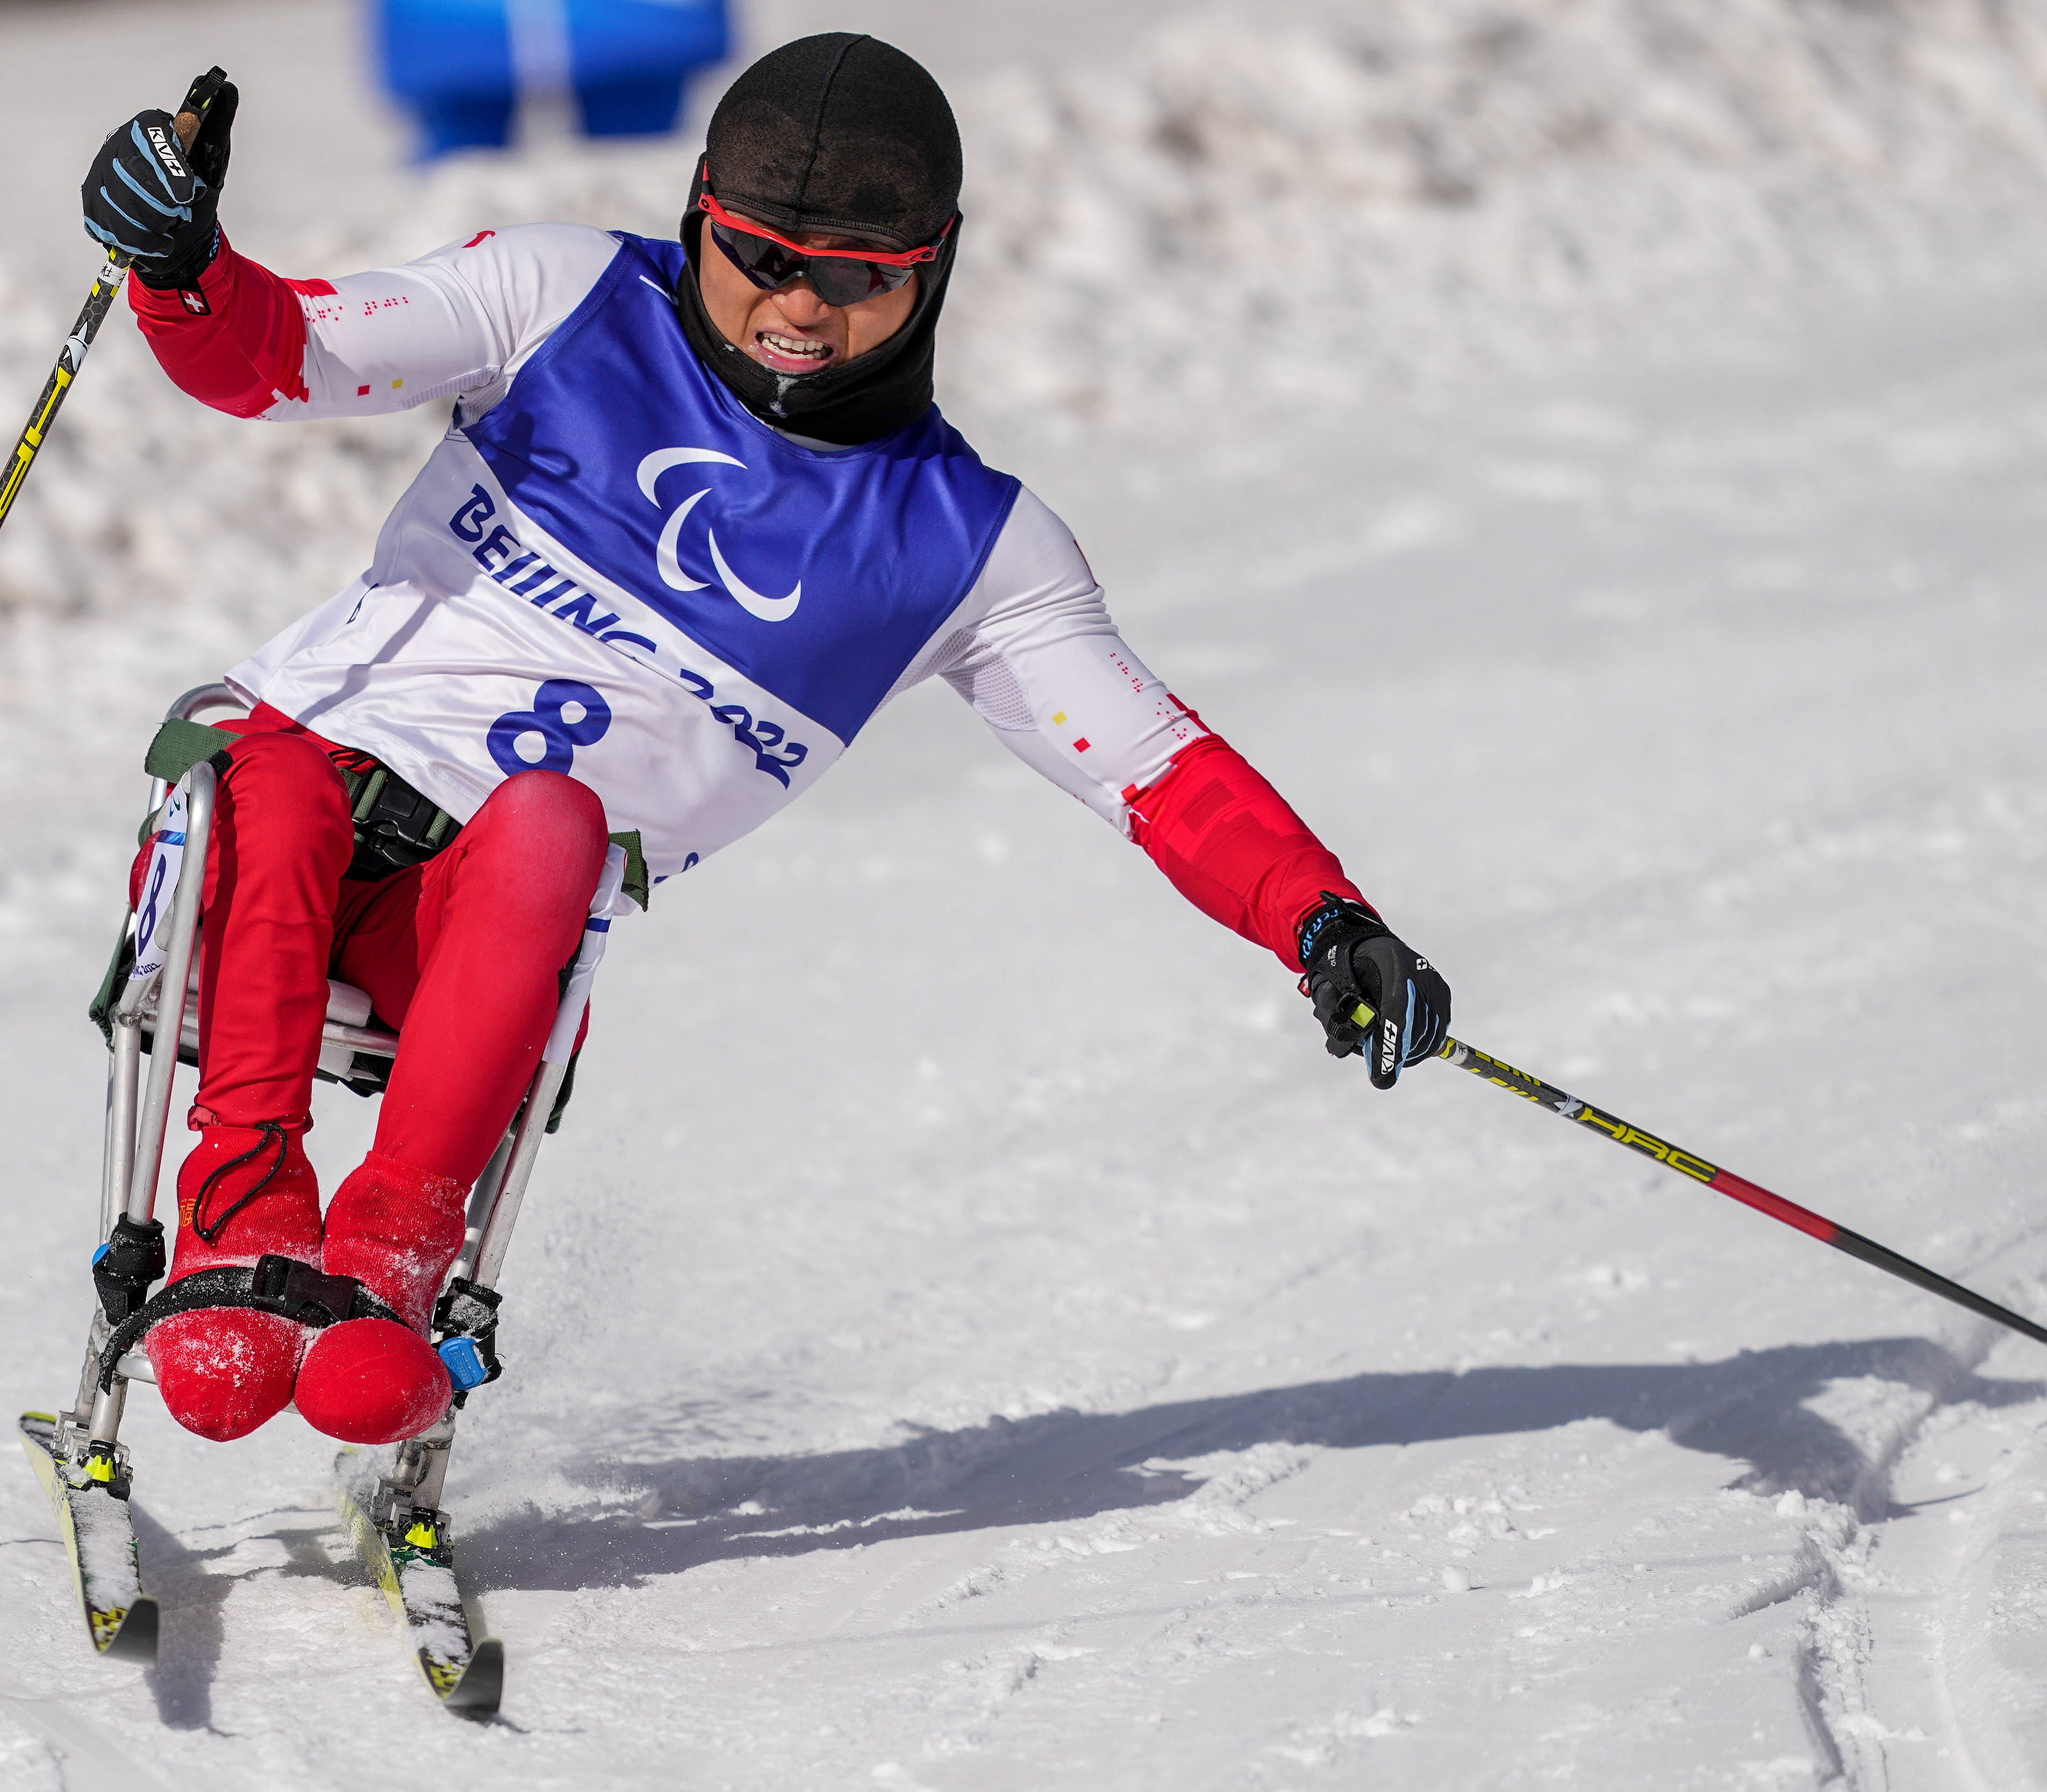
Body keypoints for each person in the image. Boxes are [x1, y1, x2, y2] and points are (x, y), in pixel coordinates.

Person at [78, 34, 1452, 1451]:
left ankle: (391, 1263)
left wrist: (1325, 923)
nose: (799, 306)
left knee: (556, 821)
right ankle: (239, 1227)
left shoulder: (970, 547)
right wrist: (184, 267)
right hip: (264, 855)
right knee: (268, 763)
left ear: (936, 265)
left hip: (479, 943)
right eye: (759, 256)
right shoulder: (565, 296)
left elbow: (1157, 772)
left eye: (860, 273)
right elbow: (281, 355)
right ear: (698, 212)